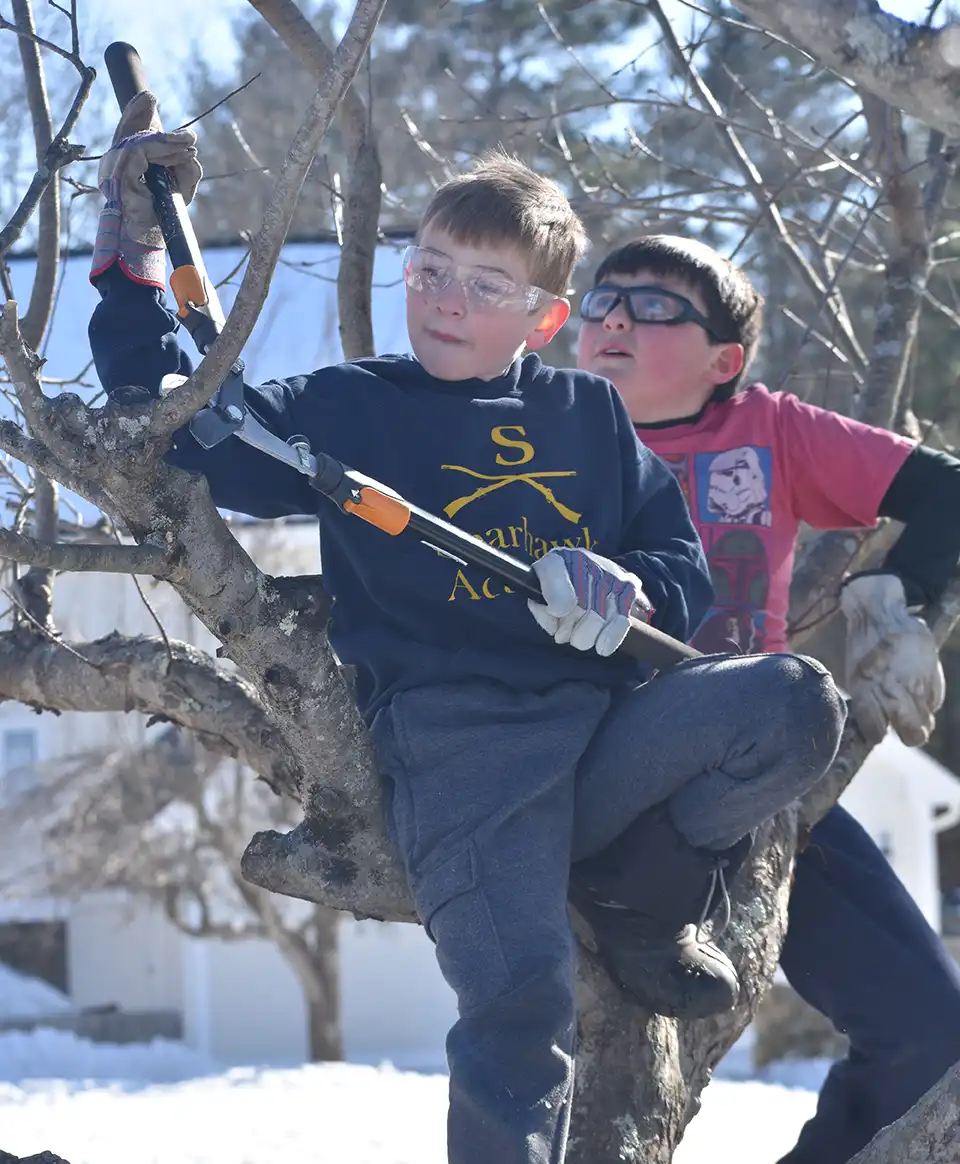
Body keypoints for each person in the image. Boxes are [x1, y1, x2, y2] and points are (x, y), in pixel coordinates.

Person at [86, 94, 845, 1164]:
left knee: (794, 701)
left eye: (485, 285)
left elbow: (677, 569)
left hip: (610, 736)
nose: (445, 300)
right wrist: (133, 256)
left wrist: (625, 588)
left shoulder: (590, 415)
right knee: (519, 1011)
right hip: (466, 754)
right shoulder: (352, 406)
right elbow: (184, 425)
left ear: (543, 317)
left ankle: (642, 896)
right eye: (430, 269)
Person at [576, 232, 960, 1164]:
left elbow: (946, 494)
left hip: (766, 779)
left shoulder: (769, 429)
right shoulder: (535, 425)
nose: (619, 315)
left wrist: (888, 599)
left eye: (658, 306)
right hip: (589, 778)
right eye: (604, 299)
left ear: (725, 362)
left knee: (932, 1036)